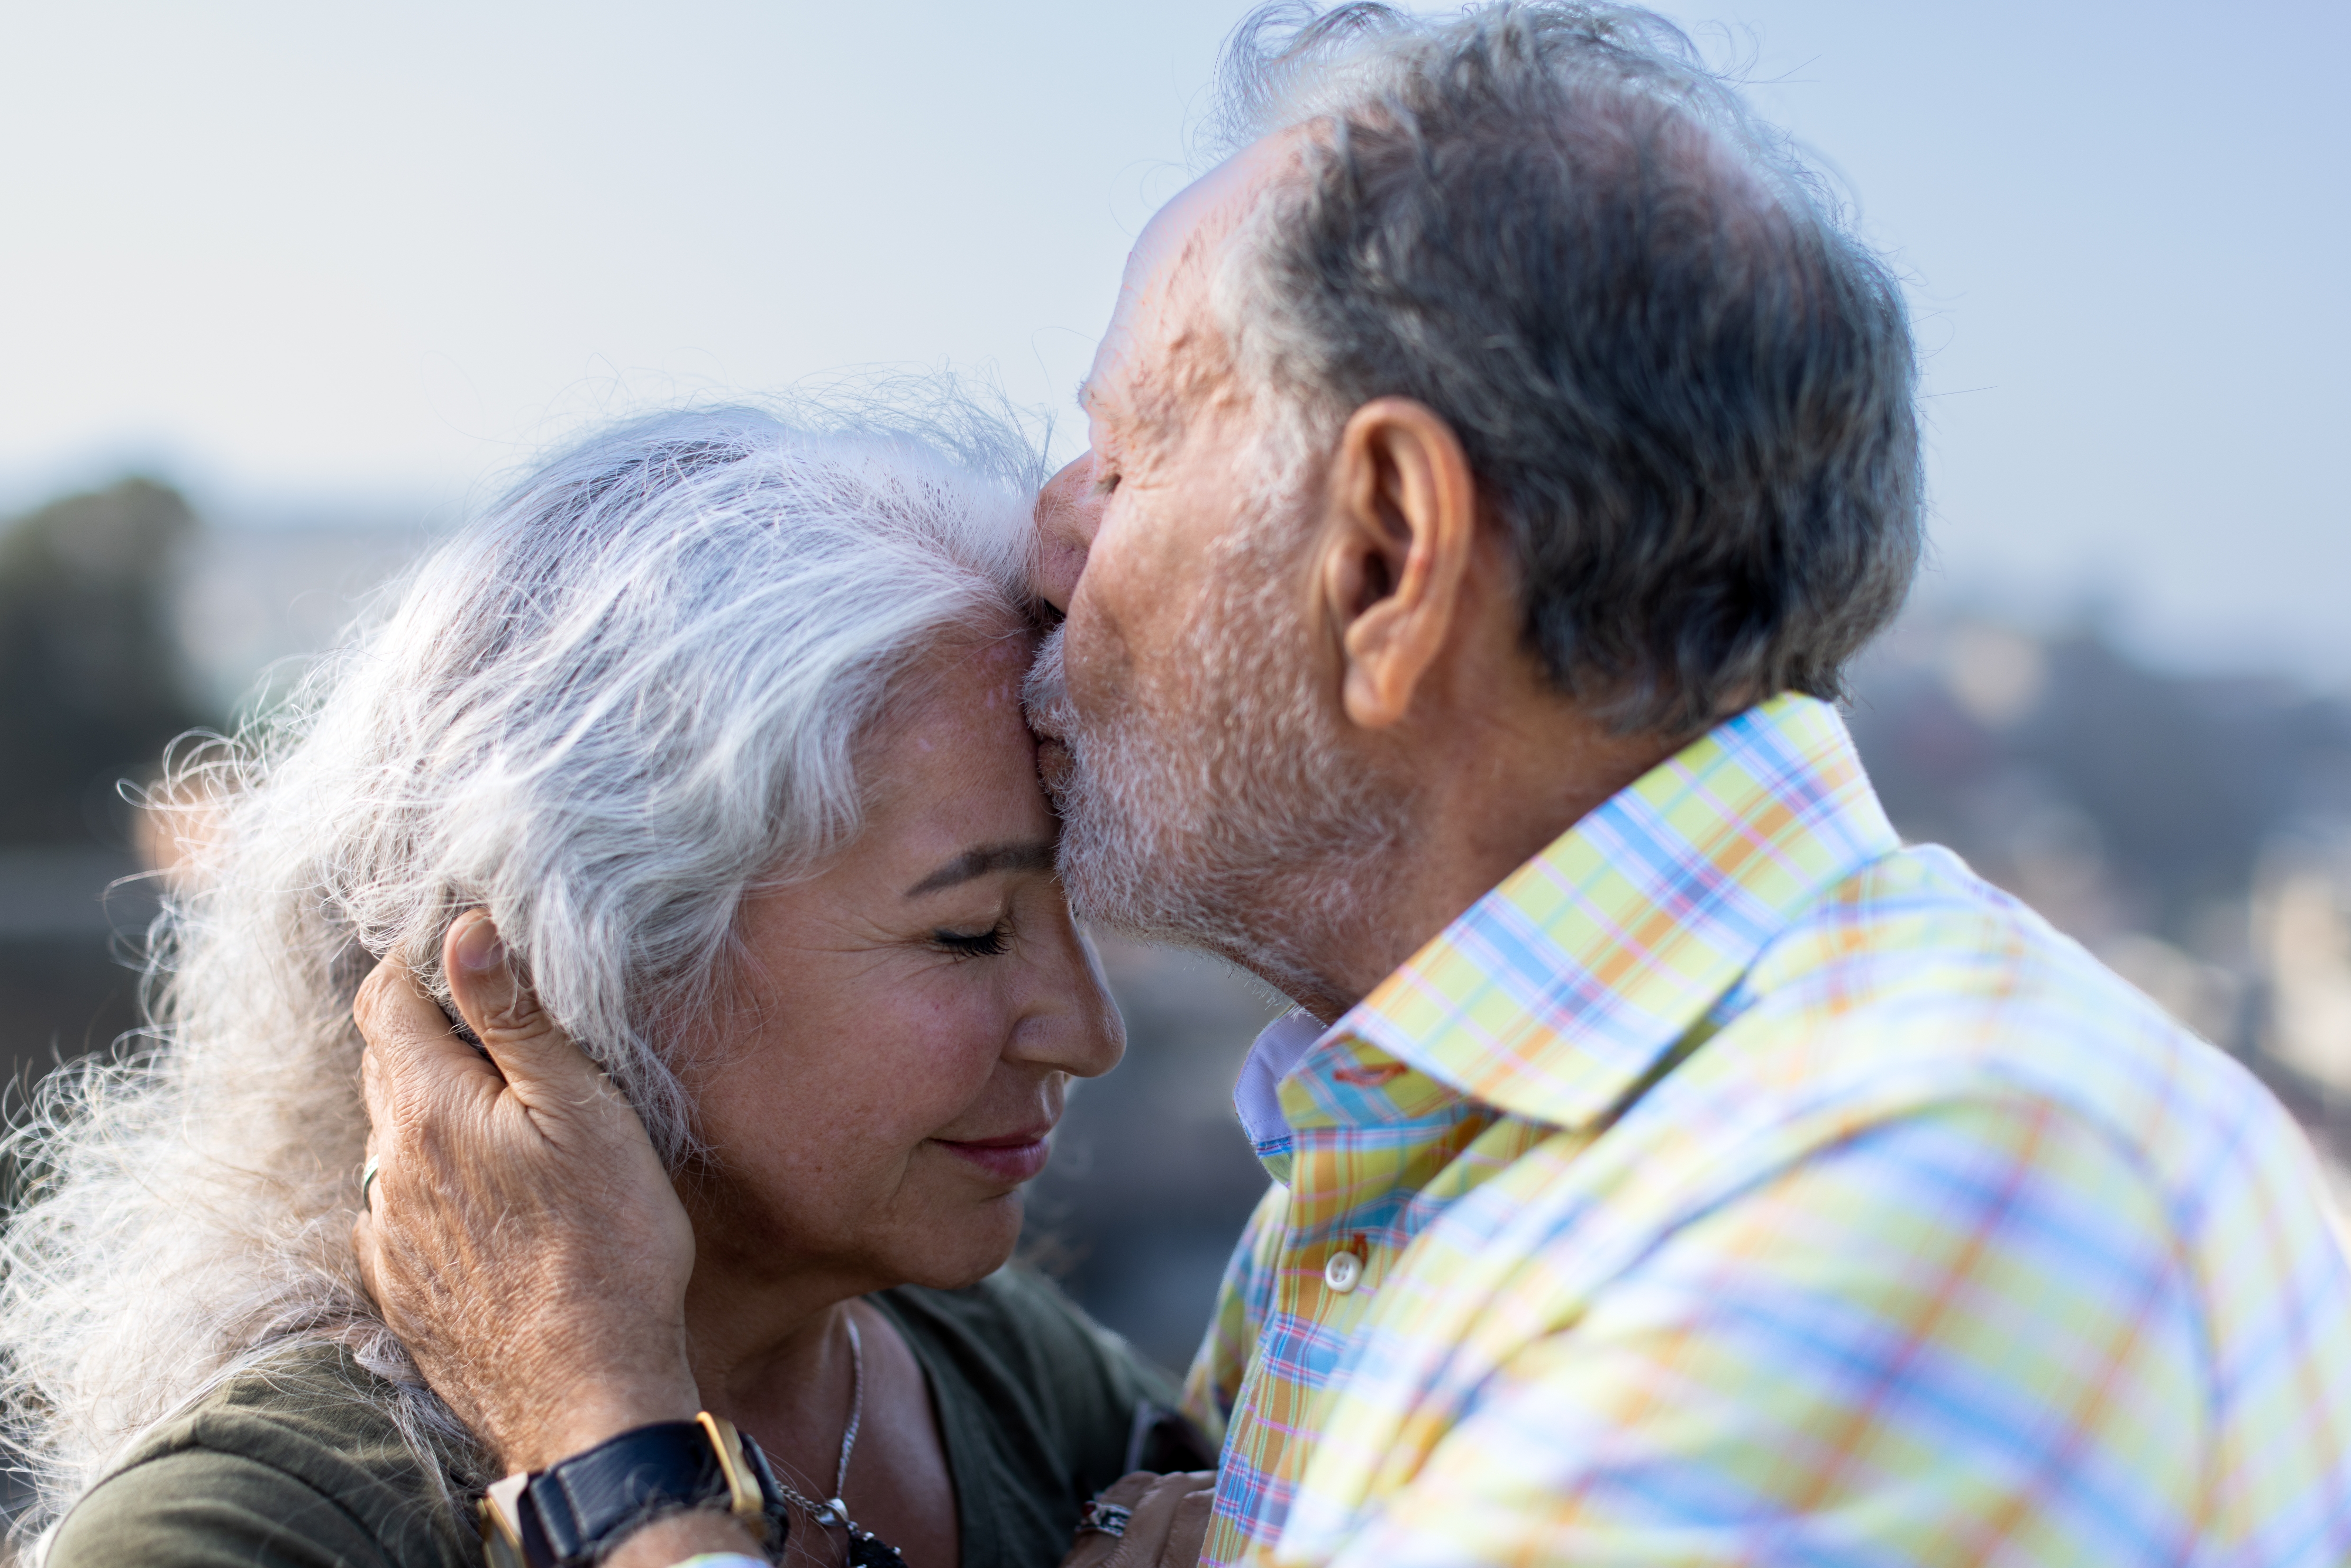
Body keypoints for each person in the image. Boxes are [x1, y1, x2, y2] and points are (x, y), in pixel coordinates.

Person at [351, 3, 2351, 1566]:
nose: (1048, 544)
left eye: (1126, 459)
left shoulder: (1889, 1200)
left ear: (1387, 554)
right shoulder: (1495, 1138)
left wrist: (604, 1440)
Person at [0, 405, 1214, 1568]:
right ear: (563, 965)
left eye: (1080, 916)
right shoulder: (254, 1530)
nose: (1089, 1034)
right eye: (967, 933)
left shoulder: (1005, 1368)